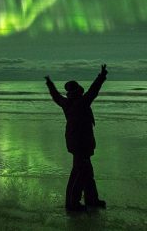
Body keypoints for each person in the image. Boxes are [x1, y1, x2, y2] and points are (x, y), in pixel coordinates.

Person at [45, 63, 108, 212]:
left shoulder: (67, 103)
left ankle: (91, 200)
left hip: (78, 143)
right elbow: (94, 90)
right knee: (79, 173)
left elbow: (55, 96)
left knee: (86, 172)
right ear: (78, 89)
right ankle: (72, 203)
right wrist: (102, 75)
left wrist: (49, 84)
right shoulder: (81, 102)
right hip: (81, 144)